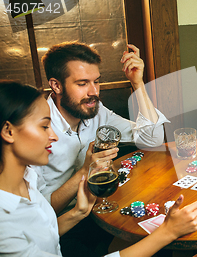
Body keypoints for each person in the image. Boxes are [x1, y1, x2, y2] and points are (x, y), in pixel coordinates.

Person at [0, 81, 197, 257]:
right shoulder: (4, 223)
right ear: (9, 131)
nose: (53, 136)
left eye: (96, 81)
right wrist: (167, 232)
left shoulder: (26, 178)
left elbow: (45, 235)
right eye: (44, 126)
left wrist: (78, 212)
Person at [34, 42, 169, 256]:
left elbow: (152, 140)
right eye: (82, 83)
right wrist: (84, 172)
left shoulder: (95, 111)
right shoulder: (36, 127)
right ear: (56, 85)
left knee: (161, 244)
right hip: (63, 227)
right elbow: (38, 213)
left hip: (101, 209)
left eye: (96, 81)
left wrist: (138, 84)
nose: (93, 92)